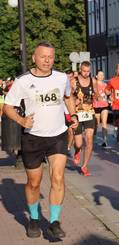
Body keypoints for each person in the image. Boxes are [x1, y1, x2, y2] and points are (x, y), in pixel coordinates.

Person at [3, 41, 78, 238]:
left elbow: (68, 97)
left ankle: (54, 222)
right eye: (43, 56)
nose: (47, 60)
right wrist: (21, 120)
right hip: (33, 138)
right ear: (34, 57)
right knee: (34, 182)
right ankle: (34, 218)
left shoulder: (62, 78)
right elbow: (7, 107)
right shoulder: (22, 81)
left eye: (50, 57)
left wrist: (73, 116)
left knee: (58, 177)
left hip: (58, 135)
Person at [72, 61, 97, 176]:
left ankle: (84, 165)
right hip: (77, 114)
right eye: (84, 71)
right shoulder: (74, 81)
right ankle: (77, 151)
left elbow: (96, 94)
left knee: (89, 139)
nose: (86, 73)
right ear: (80, 70)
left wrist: (98, 96)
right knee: (78, 143)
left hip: (89, 112)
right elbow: (67, 96)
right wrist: (74, 101)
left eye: (88, 71)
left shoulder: (93, 81)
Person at [93, 70, 109, 147]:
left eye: (102, 75)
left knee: (104, 122)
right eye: (100, 75)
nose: (101, 76)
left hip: (104, 105)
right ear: (96, 76)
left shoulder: (106, 85)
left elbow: (108, 93)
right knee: (96, 123)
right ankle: (94, 137)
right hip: (96, 106)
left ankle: (105, 140)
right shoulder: (94, 84)